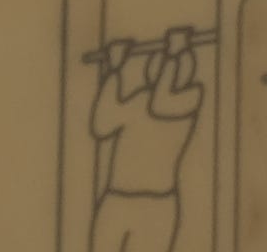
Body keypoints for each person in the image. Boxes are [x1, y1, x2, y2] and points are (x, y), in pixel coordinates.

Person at [80, 24, 210, 252]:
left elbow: (160, 104)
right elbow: (101, 124)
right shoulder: (140, 99)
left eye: (169, 62)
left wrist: (174, 55)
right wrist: (115, 71)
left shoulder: (190, 98)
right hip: (116, 198)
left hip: (156, 205)